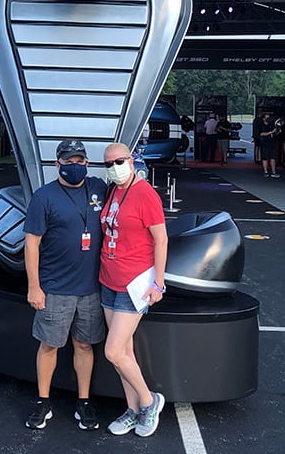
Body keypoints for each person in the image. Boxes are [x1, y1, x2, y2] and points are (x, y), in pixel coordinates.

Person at [23, 139, 108, 431]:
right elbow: (31, 243)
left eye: (79, 161)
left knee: (84, 345)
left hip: (91, 288)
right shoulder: (43, 197)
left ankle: (83, 401)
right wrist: (34, 286)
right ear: (57, 164)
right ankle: (42, 401)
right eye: (68, 161)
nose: (75, 166)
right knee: (49, 345)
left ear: (87, 163)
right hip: (55, 287)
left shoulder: (98, 188)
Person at [99, 142, 168, 437]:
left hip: (134, 283)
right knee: (124, 351)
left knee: (113, 351)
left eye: (119, 161)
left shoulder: (145, 194)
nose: (114, 167)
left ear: (131, 159)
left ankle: (149, 401)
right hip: (108, 279)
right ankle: (132, 409)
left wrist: (158, 282)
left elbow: (161, 239)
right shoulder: (113, 191)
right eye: (108, 164)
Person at [258, 113, 280, 178]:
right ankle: (265, 171)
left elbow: (275, 134)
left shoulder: (272, 125)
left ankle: (273, 172)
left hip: (272, 143)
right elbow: (261, 134)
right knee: (265, 158)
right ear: (263, 118)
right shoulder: (261, 125)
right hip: (265, 143)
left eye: (269, 118)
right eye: (267, 118)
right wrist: (271, 132)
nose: (268, 119)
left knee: (273, 158)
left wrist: (278, 131)